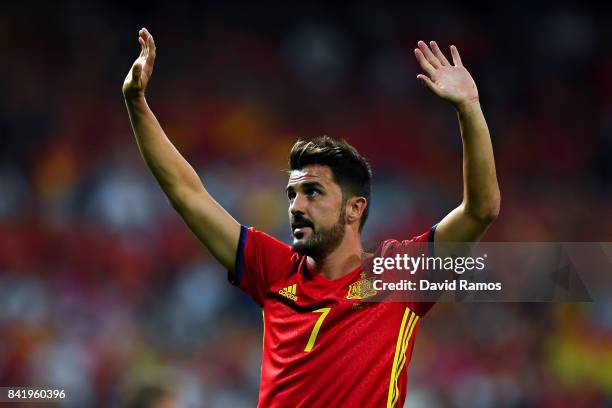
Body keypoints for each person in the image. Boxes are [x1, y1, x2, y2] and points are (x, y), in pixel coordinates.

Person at [122, 27, 500, 407]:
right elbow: (188, 194)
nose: (296, 207)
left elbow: (481, 210)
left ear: (355, 208)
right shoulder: (273, 269)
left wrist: (469, 109)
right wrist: (136, 103)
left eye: (313, 192)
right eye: (292, 194)